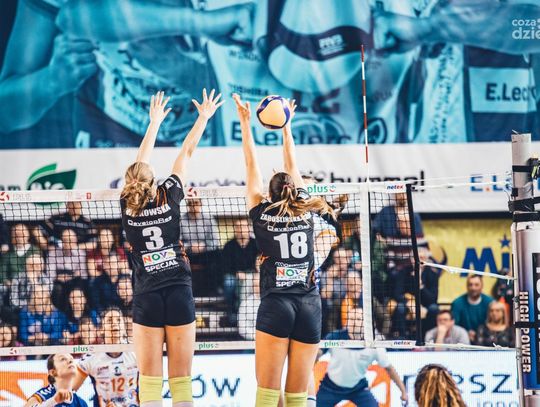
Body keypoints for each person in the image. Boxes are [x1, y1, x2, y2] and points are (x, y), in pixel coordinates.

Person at [120, 89, 222, 407]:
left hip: (147, 295)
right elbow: (186, 152)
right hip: (178, 290)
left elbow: (140, 166)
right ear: (154, 182)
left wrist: (153, 123)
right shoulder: (170, 194)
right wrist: (203, 117)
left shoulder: (127, 204)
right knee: (181, 383)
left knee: (150, 385)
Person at [233, 93, 333, 407]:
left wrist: (245, 123)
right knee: (298, 397)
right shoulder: (305, 208)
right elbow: (292, 162)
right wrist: (286, 125)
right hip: (309, 305)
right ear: (293, 190)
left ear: (269, 193)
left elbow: (251, 164)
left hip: (277, 303)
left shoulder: (261, 213)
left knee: (267, 394)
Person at [317, 308, 408, 406]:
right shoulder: (334, 337)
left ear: (366, 323)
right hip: (331, 387)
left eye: (358, 319)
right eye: (351, 319)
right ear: (347, 322)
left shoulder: (374, 344)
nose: (354, 322)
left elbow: (389, 369)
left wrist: (403, 391)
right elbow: (317, 354)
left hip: (357, 388)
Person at [74, 308, 138, 407]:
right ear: (101, 330)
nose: (114, 323)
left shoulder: (136, 351)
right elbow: (71, 390)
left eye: (118, 320)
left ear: (124, 328)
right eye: (109, 320)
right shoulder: (91, 357)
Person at [221, 218, 259, 325]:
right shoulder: (229, 246)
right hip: (234, 275)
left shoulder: (256, 244)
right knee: (228, 283)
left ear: (249, 228)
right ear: (235, 229)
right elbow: (224, 266)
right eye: (238, 227)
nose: (241, 229)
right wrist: (236, 273)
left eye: (243, 226)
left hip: (252, 274)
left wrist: (253, 274)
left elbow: (259, 262)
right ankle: (232, 311)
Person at [451, 275, 494, 343]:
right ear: (467, 286)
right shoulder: (457, 303)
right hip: (463, 338)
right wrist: (465, 333)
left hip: (485, 337)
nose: (473, 288)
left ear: (482, 286)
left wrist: (479, 334)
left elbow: (494, 323)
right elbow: (454, 324)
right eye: (470, 285)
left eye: (476, 285)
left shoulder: (490, 303)